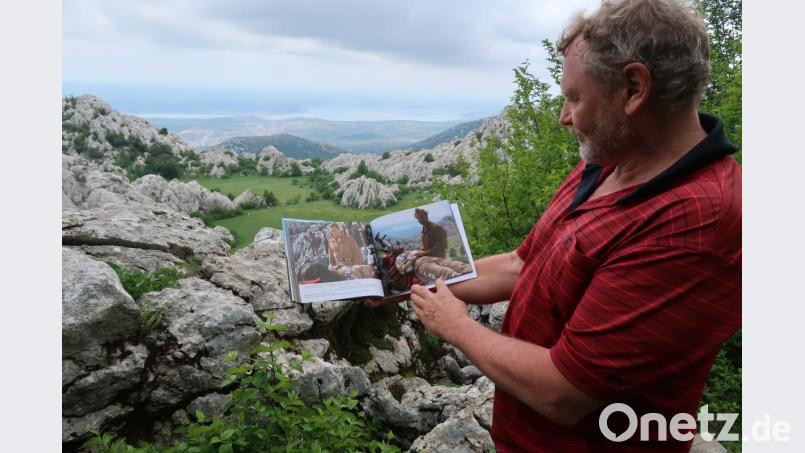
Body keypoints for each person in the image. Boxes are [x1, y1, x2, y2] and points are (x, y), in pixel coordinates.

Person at [369, 1, 741, 451]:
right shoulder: (609, 165)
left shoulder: (696, 222)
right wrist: (402, 279)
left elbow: (564, 392)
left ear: (634, 88)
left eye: (574, 97)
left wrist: (456, 326)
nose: (563, 117)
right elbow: (518, 265)